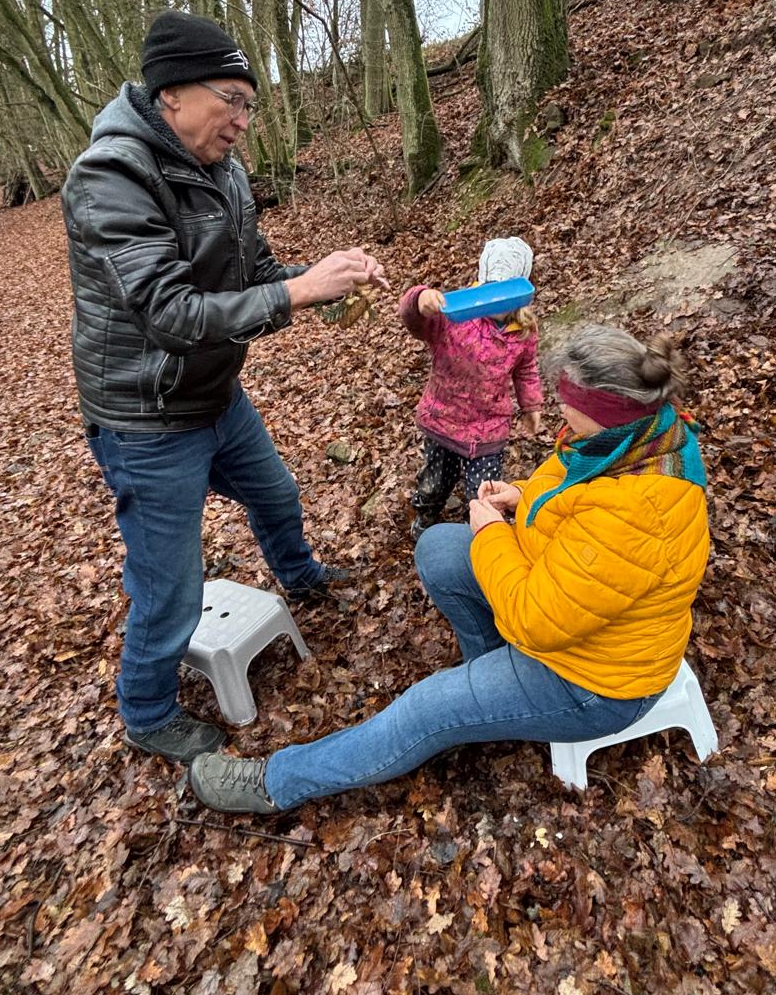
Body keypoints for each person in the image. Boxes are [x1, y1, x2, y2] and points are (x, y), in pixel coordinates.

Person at [188, 323, 710, 815]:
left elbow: (536, 618)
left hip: (593, 683)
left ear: (602, 409)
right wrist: (523, 495)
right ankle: (488, 688)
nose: (560, 411)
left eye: (569, 405)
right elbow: (575, 502)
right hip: (572, 619)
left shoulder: (640, 511)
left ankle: (277, 782)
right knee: (439, 548)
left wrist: (491, 533)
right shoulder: (632, 440)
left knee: (426, 709)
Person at [60, 10, 388, 765]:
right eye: (230, 100)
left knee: (276, 495)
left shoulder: (227, 171)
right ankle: (147, 713)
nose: (242, 121)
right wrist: (298, 292)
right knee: (170, 585)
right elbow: (170, 313)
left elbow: (257, 275)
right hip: (147, 417)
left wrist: (325, 280)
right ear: (172, 94)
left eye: (250, 106)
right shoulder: (110, 177)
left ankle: (301, 577)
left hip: (216, 396)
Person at [400, 236, 543, 539]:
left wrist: (531, 406)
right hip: (444, 421)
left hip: (489, 429)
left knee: (484, 494)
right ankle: (425, 517)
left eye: (506, 293)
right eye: (490, 289)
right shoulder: (455, 317)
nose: (497, 301)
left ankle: (480, 537)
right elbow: (415, 322)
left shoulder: (524, 330)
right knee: (435, 483)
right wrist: (419, 300)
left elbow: (526, 370)